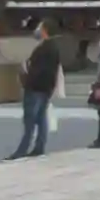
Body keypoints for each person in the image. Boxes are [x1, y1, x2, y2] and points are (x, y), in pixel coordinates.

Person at [8, 19, 62, 160]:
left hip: (35, 86)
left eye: (40, 27)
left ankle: (22, 149)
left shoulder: (43, 49)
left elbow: (37, 69)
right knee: (41, 117)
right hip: (46, 87)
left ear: (44, 30)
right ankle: (39, 146)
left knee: (30, 119)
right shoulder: (54, 47)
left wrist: (26, 78)